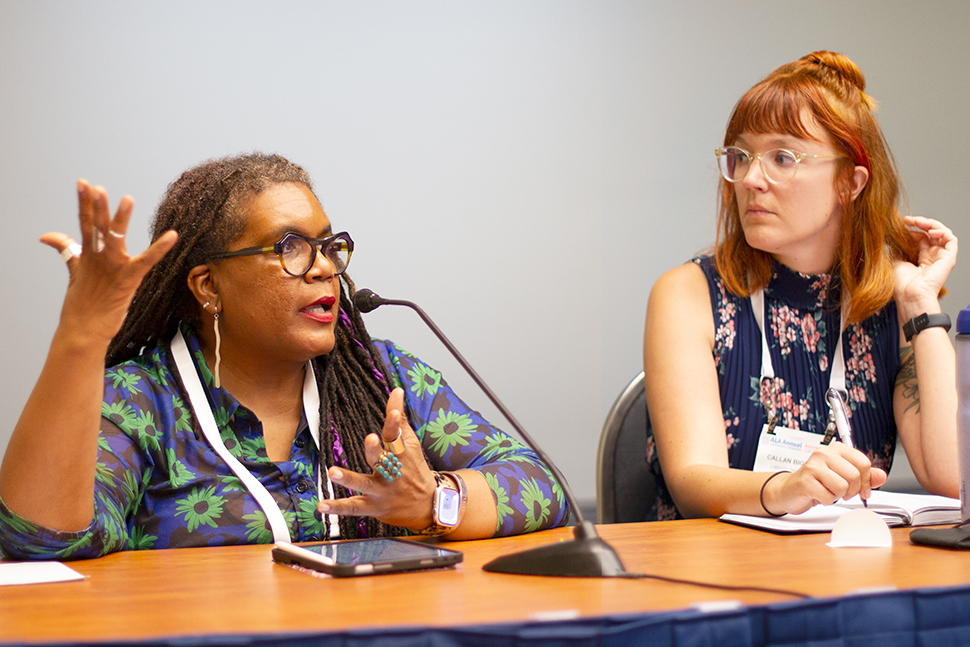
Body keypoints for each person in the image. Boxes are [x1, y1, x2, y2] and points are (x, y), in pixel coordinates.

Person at [0, 153, 567, 559]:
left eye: (329, 245)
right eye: (290, 247)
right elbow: (40, 540)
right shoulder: (142, 399)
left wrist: (434, 504)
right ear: (207, 286)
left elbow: (542, 486)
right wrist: (79, 338)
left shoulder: (381, 377)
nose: (323, 266)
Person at [643, 51, 959, 521]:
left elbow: (953, 476)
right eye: (741, 156)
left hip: (843, 566)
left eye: (783, 158)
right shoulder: (687, 293)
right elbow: (692, 481)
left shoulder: (887, 306)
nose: (751, 179)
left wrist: (919, 303)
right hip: (711, 572)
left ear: (849, 183)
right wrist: (783, 489)